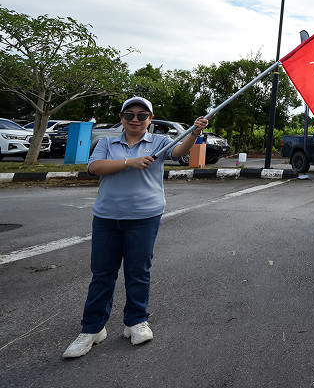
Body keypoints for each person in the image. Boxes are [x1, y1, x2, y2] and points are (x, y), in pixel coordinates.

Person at [63, 96, 208, 358]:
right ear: (121, 118)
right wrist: (129, 162)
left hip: (144, 217)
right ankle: (92, 329)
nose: (135, 120)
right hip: (107, 217)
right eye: (129, 114)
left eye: (142, 115)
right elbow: (94, 167)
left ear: (150, 120)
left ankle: (136, 321)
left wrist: (194, 132)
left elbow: (178, 152)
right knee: (102, 274)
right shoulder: (107, 143)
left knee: (138, 271)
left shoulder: (160, 142)